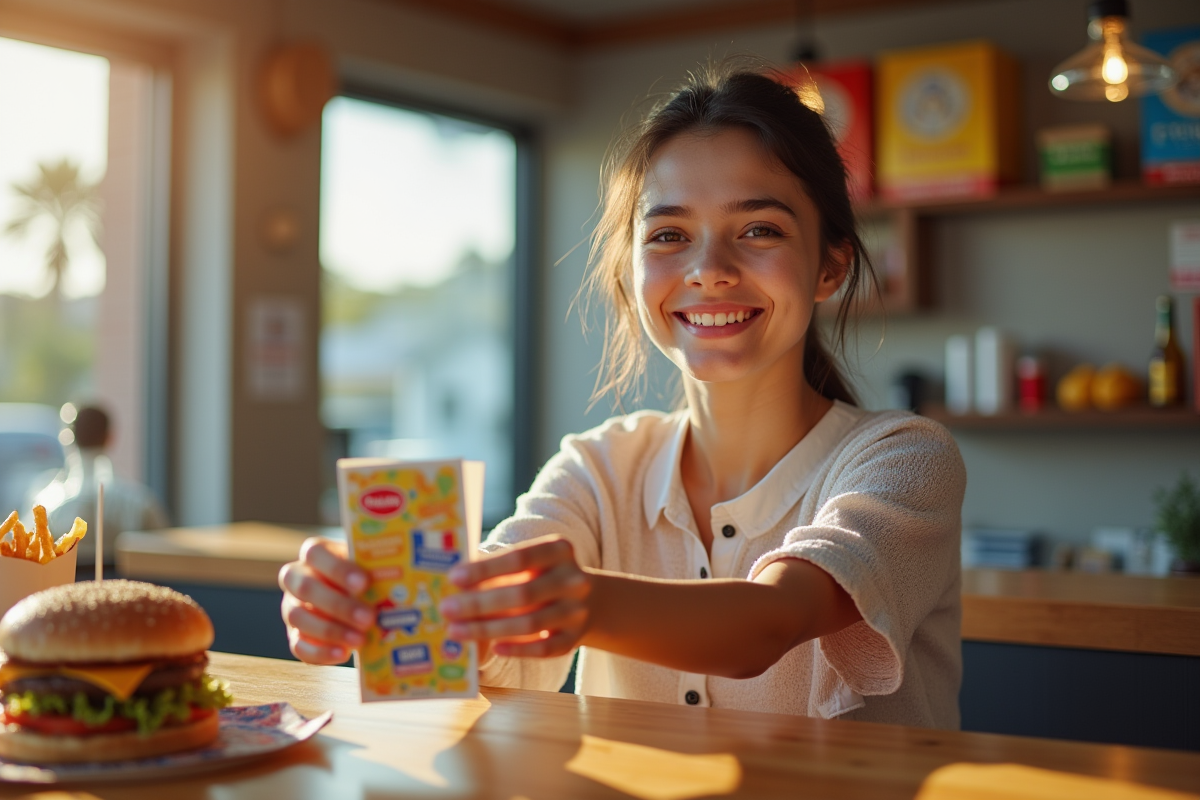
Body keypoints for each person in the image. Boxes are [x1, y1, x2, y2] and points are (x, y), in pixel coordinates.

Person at [279, 64, 966, 729]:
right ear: (630, 269)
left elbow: (769, 623)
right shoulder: (598, 466)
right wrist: (378, 613)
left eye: (759, 230)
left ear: (830, 266)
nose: (709, 271)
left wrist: (582, 604)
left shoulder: (905, 459)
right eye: (669, 236)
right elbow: (486, 640)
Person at [33, 405, 170, 568]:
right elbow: (164, 555)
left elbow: (31, 557)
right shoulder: (142, 503)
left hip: (60, 590)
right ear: (110, 437)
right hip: (125, 591)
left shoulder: (46, 503)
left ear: (67, 438)